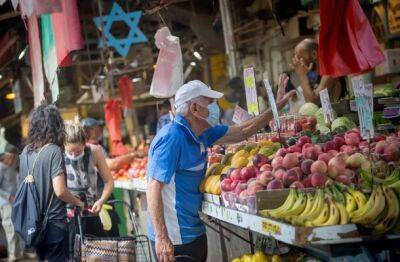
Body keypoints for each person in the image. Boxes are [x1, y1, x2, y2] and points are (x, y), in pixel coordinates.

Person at [146, 80, 295, 262]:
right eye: (210, 103)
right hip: (174, 238)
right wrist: (162, 238)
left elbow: (244, 131)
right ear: (194, 108)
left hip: (194, 231)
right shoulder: (172, 138)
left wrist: (276, 107)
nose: (215, 108)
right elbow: (153, 187)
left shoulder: (202, 133)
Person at [19, 105, 84, 262]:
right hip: (53, 222)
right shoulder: (54, 151)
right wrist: (77, 202)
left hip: (33, 222)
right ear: (57, 126)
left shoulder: (26, 152)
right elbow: (60, 190)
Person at [63, 121, 114, 257]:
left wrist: (101, 201)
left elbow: (109, 182)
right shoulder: (58, 153)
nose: (74, 155)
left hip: (91, 213)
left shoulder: (94, 151)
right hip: (68, 218)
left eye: (78, 151)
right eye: (70, 152)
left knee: (97, 256)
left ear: (85, 143)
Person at [290, 38, 342, 104]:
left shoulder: (330, 70)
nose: (298, 63)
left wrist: (302, 76)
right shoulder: (312, 72)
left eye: (300, 59)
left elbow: (313, 102)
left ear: (314, 54)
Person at [0, 144, 23, 261]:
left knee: (17, 229)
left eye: (15, 157)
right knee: (10, 229)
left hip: (15, 203)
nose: (14, 160)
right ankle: (12, 255)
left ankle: (18, 254)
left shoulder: (12, 169)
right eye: (12, 157)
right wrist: (9, 196)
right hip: (6, 204)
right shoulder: (1, 167)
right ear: (6, 156)